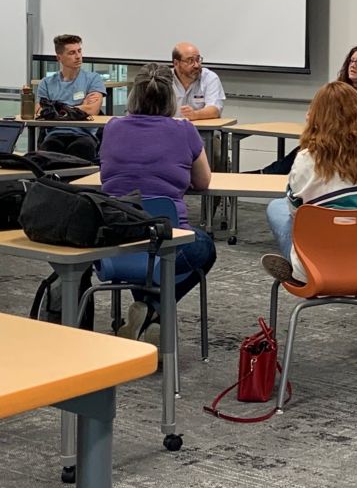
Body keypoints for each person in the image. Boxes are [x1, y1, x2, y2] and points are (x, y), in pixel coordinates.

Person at [100, 63, 216, 343]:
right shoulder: (183, 130)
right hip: (167, 239)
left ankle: (145, 314)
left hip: (114, 243)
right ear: (171, 98)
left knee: (144, 256)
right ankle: (155, 310)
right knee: (204, 247)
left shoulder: (112, 128)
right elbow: (203, 181)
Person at [261, 81, 357, 284]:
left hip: (318, 265)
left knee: (278, 207)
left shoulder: (307, 159)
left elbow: (295, 213)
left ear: (316, 116)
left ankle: (300, 273)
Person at [259, 44, 357, 176]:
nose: (353, 65)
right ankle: (266, 173)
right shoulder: (339, 89)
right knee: (304, 150)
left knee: (306, 153)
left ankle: (265, 174)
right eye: (351, 61)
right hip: (334, 141)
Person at [36, 34, 106, 161]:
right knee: (47, 153)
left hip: (84, 135)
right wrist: (80, 107)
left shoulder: (93, 79)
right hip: (55, 134)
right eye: (72, 53)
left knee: (80, 149)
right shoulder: (46, 83)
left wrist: (56, 107)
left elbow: (92, 110)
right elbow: (40, 112)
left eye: (79, 51)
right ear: (59, 58)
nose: (78, 56)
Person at [172, 41, 225, 120]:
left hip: (200, 130)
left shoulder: (209, 77)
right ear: (176, 63)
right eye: (190, 61)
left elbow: (215, 110)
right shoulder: (165, 79)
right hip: (169, 128)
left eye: (198, 60)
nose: (196, 65)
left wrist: (194, 115)